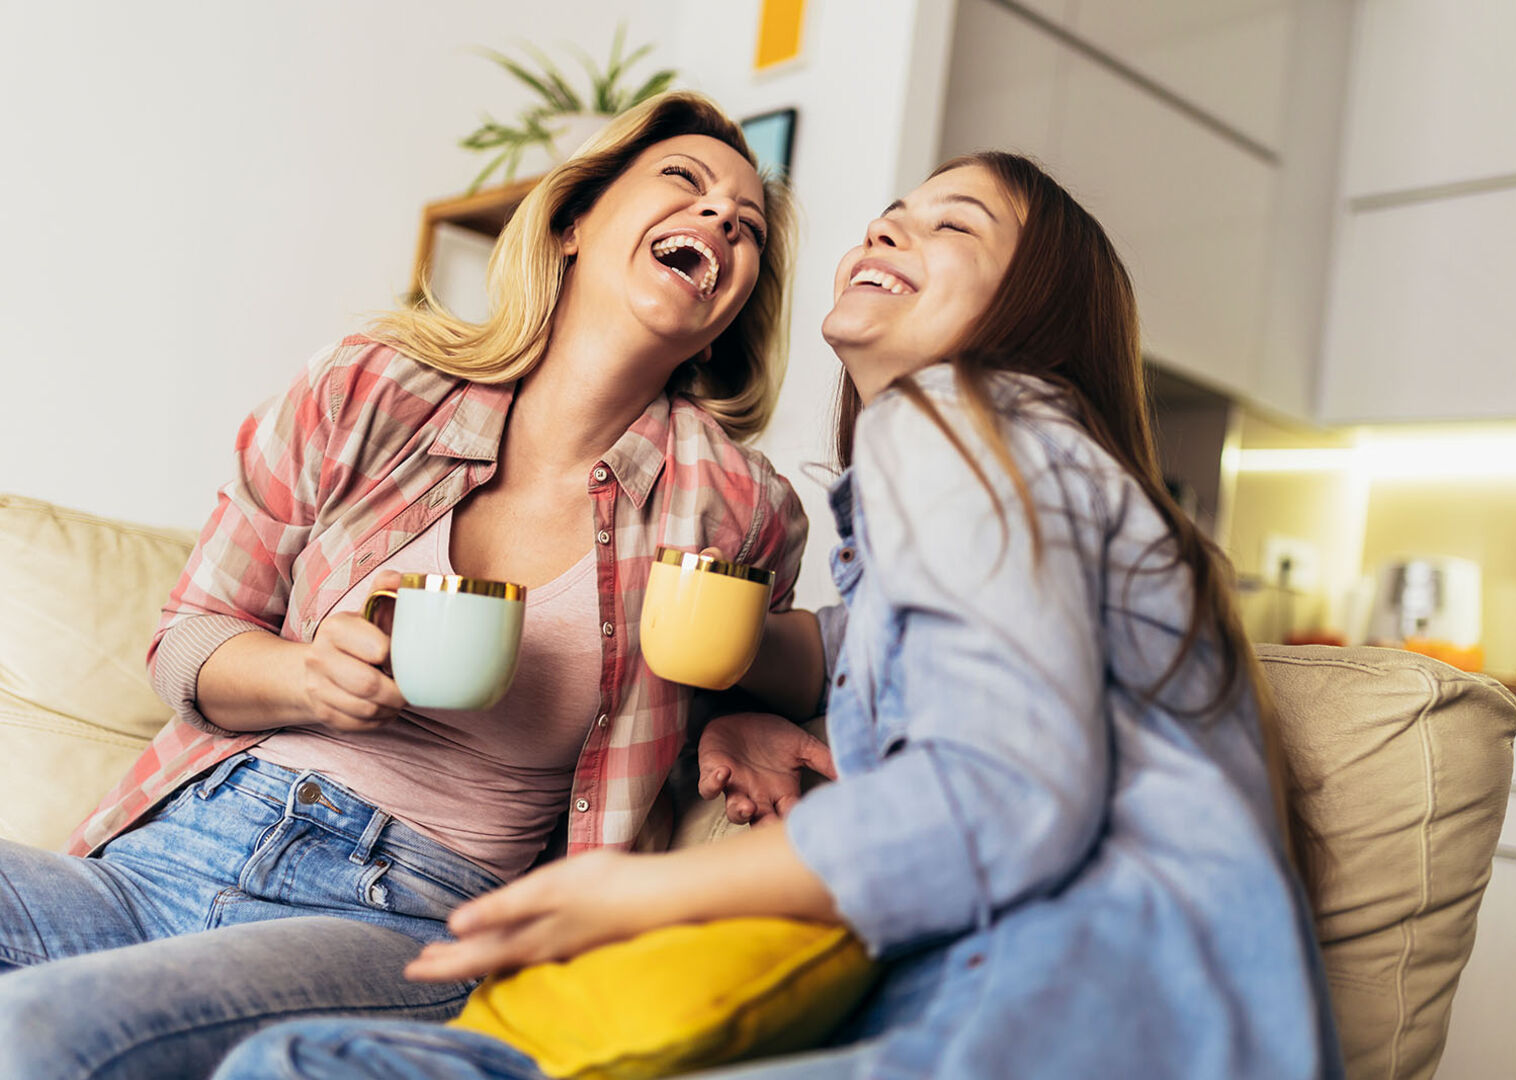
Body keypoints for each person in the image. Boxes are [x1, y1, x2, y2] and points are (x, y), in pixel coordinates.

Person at [211, 151, 1344, 1079]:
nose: (886, 232)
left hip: (1052, 1022)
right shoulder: (1017, 482)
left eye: (950, 228)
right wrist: (721, 689)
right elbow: (849, 657)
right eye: (889, 216)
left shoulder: (961, 418)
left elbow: (1002, 796)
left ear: (1031, 313)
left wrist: (639, 887)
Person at [0, 91, 818, 1080]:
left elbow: (724, 660)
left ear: (735, 301)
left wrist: (734, 715)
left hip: (397, 908)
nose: (721, 219)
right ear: (572, 222)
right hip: (167, 849)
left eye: (748, 226)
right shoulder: (369, 389)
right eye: (683, 184)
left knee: (35, 1030)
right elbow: (189, 637)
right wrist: (306, 678)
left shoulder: (732, 503)